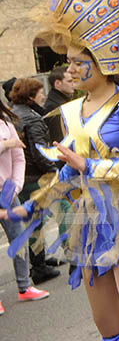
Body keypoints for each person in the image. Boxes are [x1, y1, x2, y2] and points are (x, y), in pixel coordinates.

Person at [1, 0, 119, 339]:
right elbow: (70, 171)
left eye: (80, 60)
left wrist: (91, 165)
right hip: (90, 220)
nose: (71, 68)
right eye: (68, 61)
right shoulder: (69, 111)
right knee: (109, 325)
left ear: (104, 61)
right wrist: (31, 205)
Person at [8, 78, 62, 283]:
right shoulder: (31, 118)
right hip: (34, 178)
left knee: (34, 222)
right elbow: (40, 152)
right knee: (37, 223)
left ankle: (39, 262)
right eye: (40, 92)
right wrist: (54, 171)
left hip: (21, 176)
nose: (44, 96)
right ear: (31, 96)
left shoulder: (14, 114)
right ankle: (39, 267)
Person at [0, 98, 51, 314]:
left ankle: (25, 286)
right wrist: (5, 144)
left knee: (19, 239)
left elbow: (19, 158)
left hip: (8, 192)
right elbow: (11, 147)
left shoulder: (5, 123)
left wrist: (17, 185)